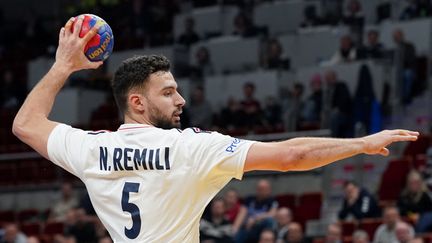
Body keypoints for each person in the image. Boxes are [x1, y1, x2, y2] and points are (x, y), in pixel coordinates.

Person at [12, 15, 419, 242]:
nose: (181, 100)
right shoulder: (189, 149)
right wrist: (363, 142)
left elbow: (25, 124)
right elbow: (291, 156)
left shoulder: (91, 150)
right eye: (169, 92)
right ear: (137, 102)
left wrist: (64, 65)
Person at [322, 70, 353, 138]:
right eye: (327, 79)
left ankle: (333, 137)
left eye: (329, 78)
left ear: (334, 77)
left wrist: (337, 109)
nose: (328, 81)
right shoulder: (327, 90)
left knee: (334, 116)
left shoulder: (341, 86)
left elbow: (345, 101)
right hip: (330, 113)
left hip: (343, 113)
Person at [392, 29, 417, 104]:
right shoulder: (394, 48)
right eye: (395, 37)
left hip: (406, 68)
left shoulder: (409, 46)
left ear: (402, 36)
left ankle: (405, 98)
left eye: (397, 36)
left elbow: (410, 59)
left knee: (407, 74)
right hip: (395, 69)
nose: (396, 38)